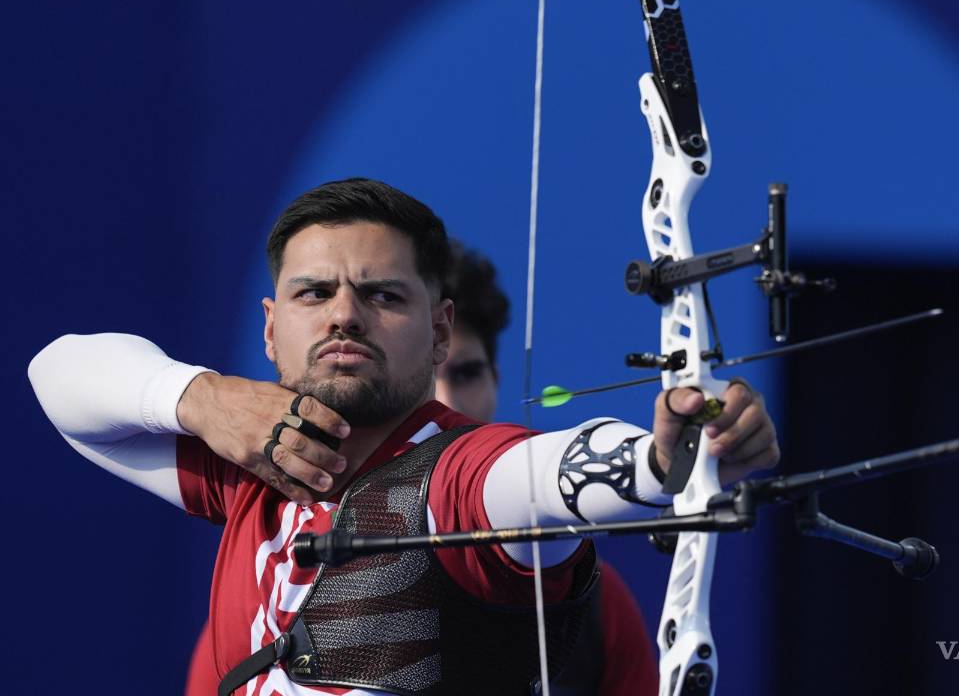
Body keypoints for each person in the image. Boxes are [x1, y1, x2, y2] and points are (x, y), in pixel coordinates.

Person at [29, 178, 779, 696]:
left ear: (441, 331)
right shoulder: (250, 467)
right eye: (313, 293)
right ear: (269, 327)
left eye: (383, 294)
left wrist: (662, 462)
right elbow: (56, 376)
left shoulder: (460, 475)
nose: (344, 315)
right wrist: (198, 396)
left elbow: (545, 476)